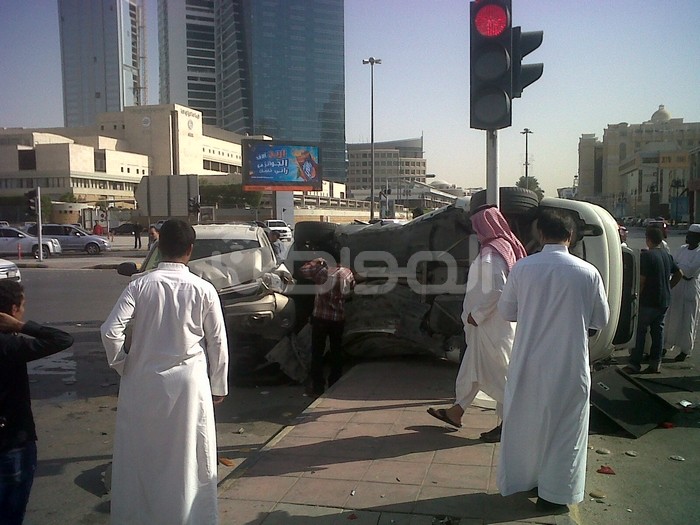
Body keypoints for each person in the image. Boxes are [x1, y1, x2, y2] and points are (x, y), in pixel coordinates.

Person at [101, 219, 229, 525]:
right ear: (190, 249)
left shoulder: (140, 285)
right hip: (189, 383)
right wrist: (218, 385)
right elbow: (217, 341)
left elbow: (110, 332)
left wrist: (124, 365)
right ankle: (190, 517)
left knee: (142, 452)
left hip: (143, 381)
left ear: (158, 247)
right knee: (190, 454)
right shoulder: (203, 289)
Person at [496, 209, 610, 513]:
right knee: (566, 430)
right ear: (570, 237)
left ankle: (525, 480)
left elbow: (507, 312)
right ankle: (555, 495)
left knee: (527, 423)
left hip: (528, 363)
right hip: (569, 364)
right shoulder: (588, 272)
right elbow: (600, 319)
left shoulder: (522, 268)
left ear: (540, 235)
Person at [427, 205, 527, 442]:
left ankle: (513, 424)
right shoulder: (503, 248)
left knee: (499, 375)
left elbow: (498, 289)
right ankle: (456, 412)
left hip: (490, 327)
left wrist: (477, 315)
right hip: (488, 326)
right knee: (472, 371)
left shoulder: (492, 254)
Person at [0, 280, 74, 524]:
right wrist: (21, 326)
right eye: (22, 306)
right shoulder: (11, 345)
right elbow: (62, 339)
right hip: (12, 442)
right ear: (12, 310)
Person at [624, 226, 682, 374]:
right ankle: (655, 363)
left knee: (640, 332)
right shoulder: (666, 255)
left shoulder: (647, 256)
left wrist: (636, 296)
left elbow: (642, 280)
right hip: (663, 300)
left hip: (648, 301)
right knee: (658, 333)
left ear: (648, 240)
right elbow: (679, 273)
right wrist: (669, 287)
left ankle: (634, 363)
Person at [298, 257, 355, 397]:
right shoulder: (347, 273)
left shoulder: (321, 272)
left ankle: (317, 387)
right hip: (338, 319)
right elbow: (351, 290)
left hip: (320, 318)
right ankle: (335, 383)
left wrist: (315, 261)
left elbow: (302, 271)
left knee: (317, 353)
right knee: (337, 352)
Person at [665, 224, 700, 362]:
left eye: (691, 236)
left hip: (690, 288)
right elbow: (671, 264)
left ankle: (685, 350)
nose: (688, 237)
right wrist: (679, 270)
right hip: (676, 287)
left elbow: (690, 272)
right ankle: (667, 345)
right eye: (688, 234)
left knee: (687, 321)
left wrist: (679, 270)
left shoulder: (699, 252)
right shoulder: (681, 249)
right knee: (672, 317)